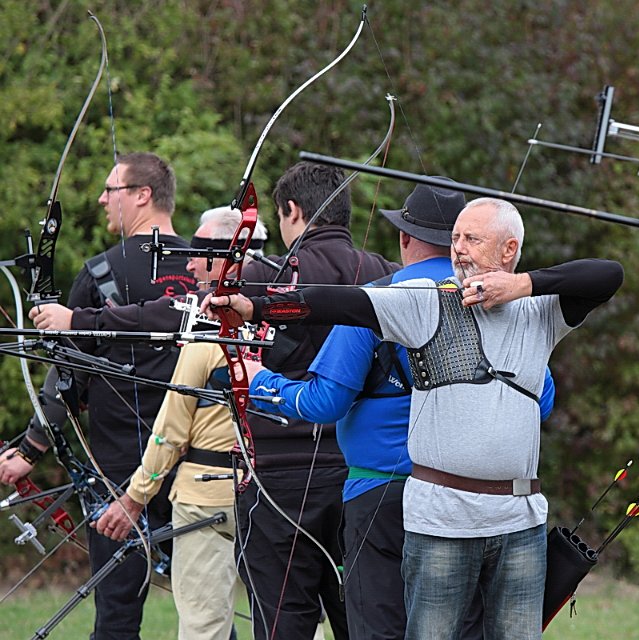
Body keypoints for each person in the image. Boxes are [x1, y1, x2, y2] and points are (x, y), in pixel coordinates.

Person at [204, 197, 624, 639]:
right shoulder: (426, 300)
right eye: (455, 237)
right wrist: (255, 307)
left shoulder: (539, 311)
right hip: (441, 516)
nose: (458, 248)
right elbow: (339, 304)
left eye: (472, 238)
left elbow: (607, 274)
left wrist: (521, 286)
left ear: (509, 249)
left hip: (519, 521)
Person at [30, 161, 397, 640]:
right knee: (361, 617)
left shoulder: (263, 281)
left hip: (274, 480)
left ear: (291, 211)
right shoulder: (386, 276)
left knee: (281, 618)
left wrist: (78, 321)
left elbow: (176, 316)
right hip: (360, 477)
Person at [0, 151, 197, 639]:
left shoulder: (101, 271)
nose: (102, 199)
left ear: (142, 195)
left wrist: (30, 451)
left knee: (117, 618)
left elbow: (68, 376)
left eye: (112, 190)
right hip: (195, 464)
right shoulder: (205, 268)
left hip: (120, 473)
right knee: (204, 609)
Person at [93, 206, 267, 640]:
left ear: (227, 261)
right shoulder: (286, 327)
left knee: (203, 627)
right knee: (290, 621)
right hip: (275, 496)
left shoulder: (208, 334)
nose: (188, 265)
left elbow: (170, 432)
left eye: (198, 255)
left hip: (205, 499)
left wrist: (134, 499)